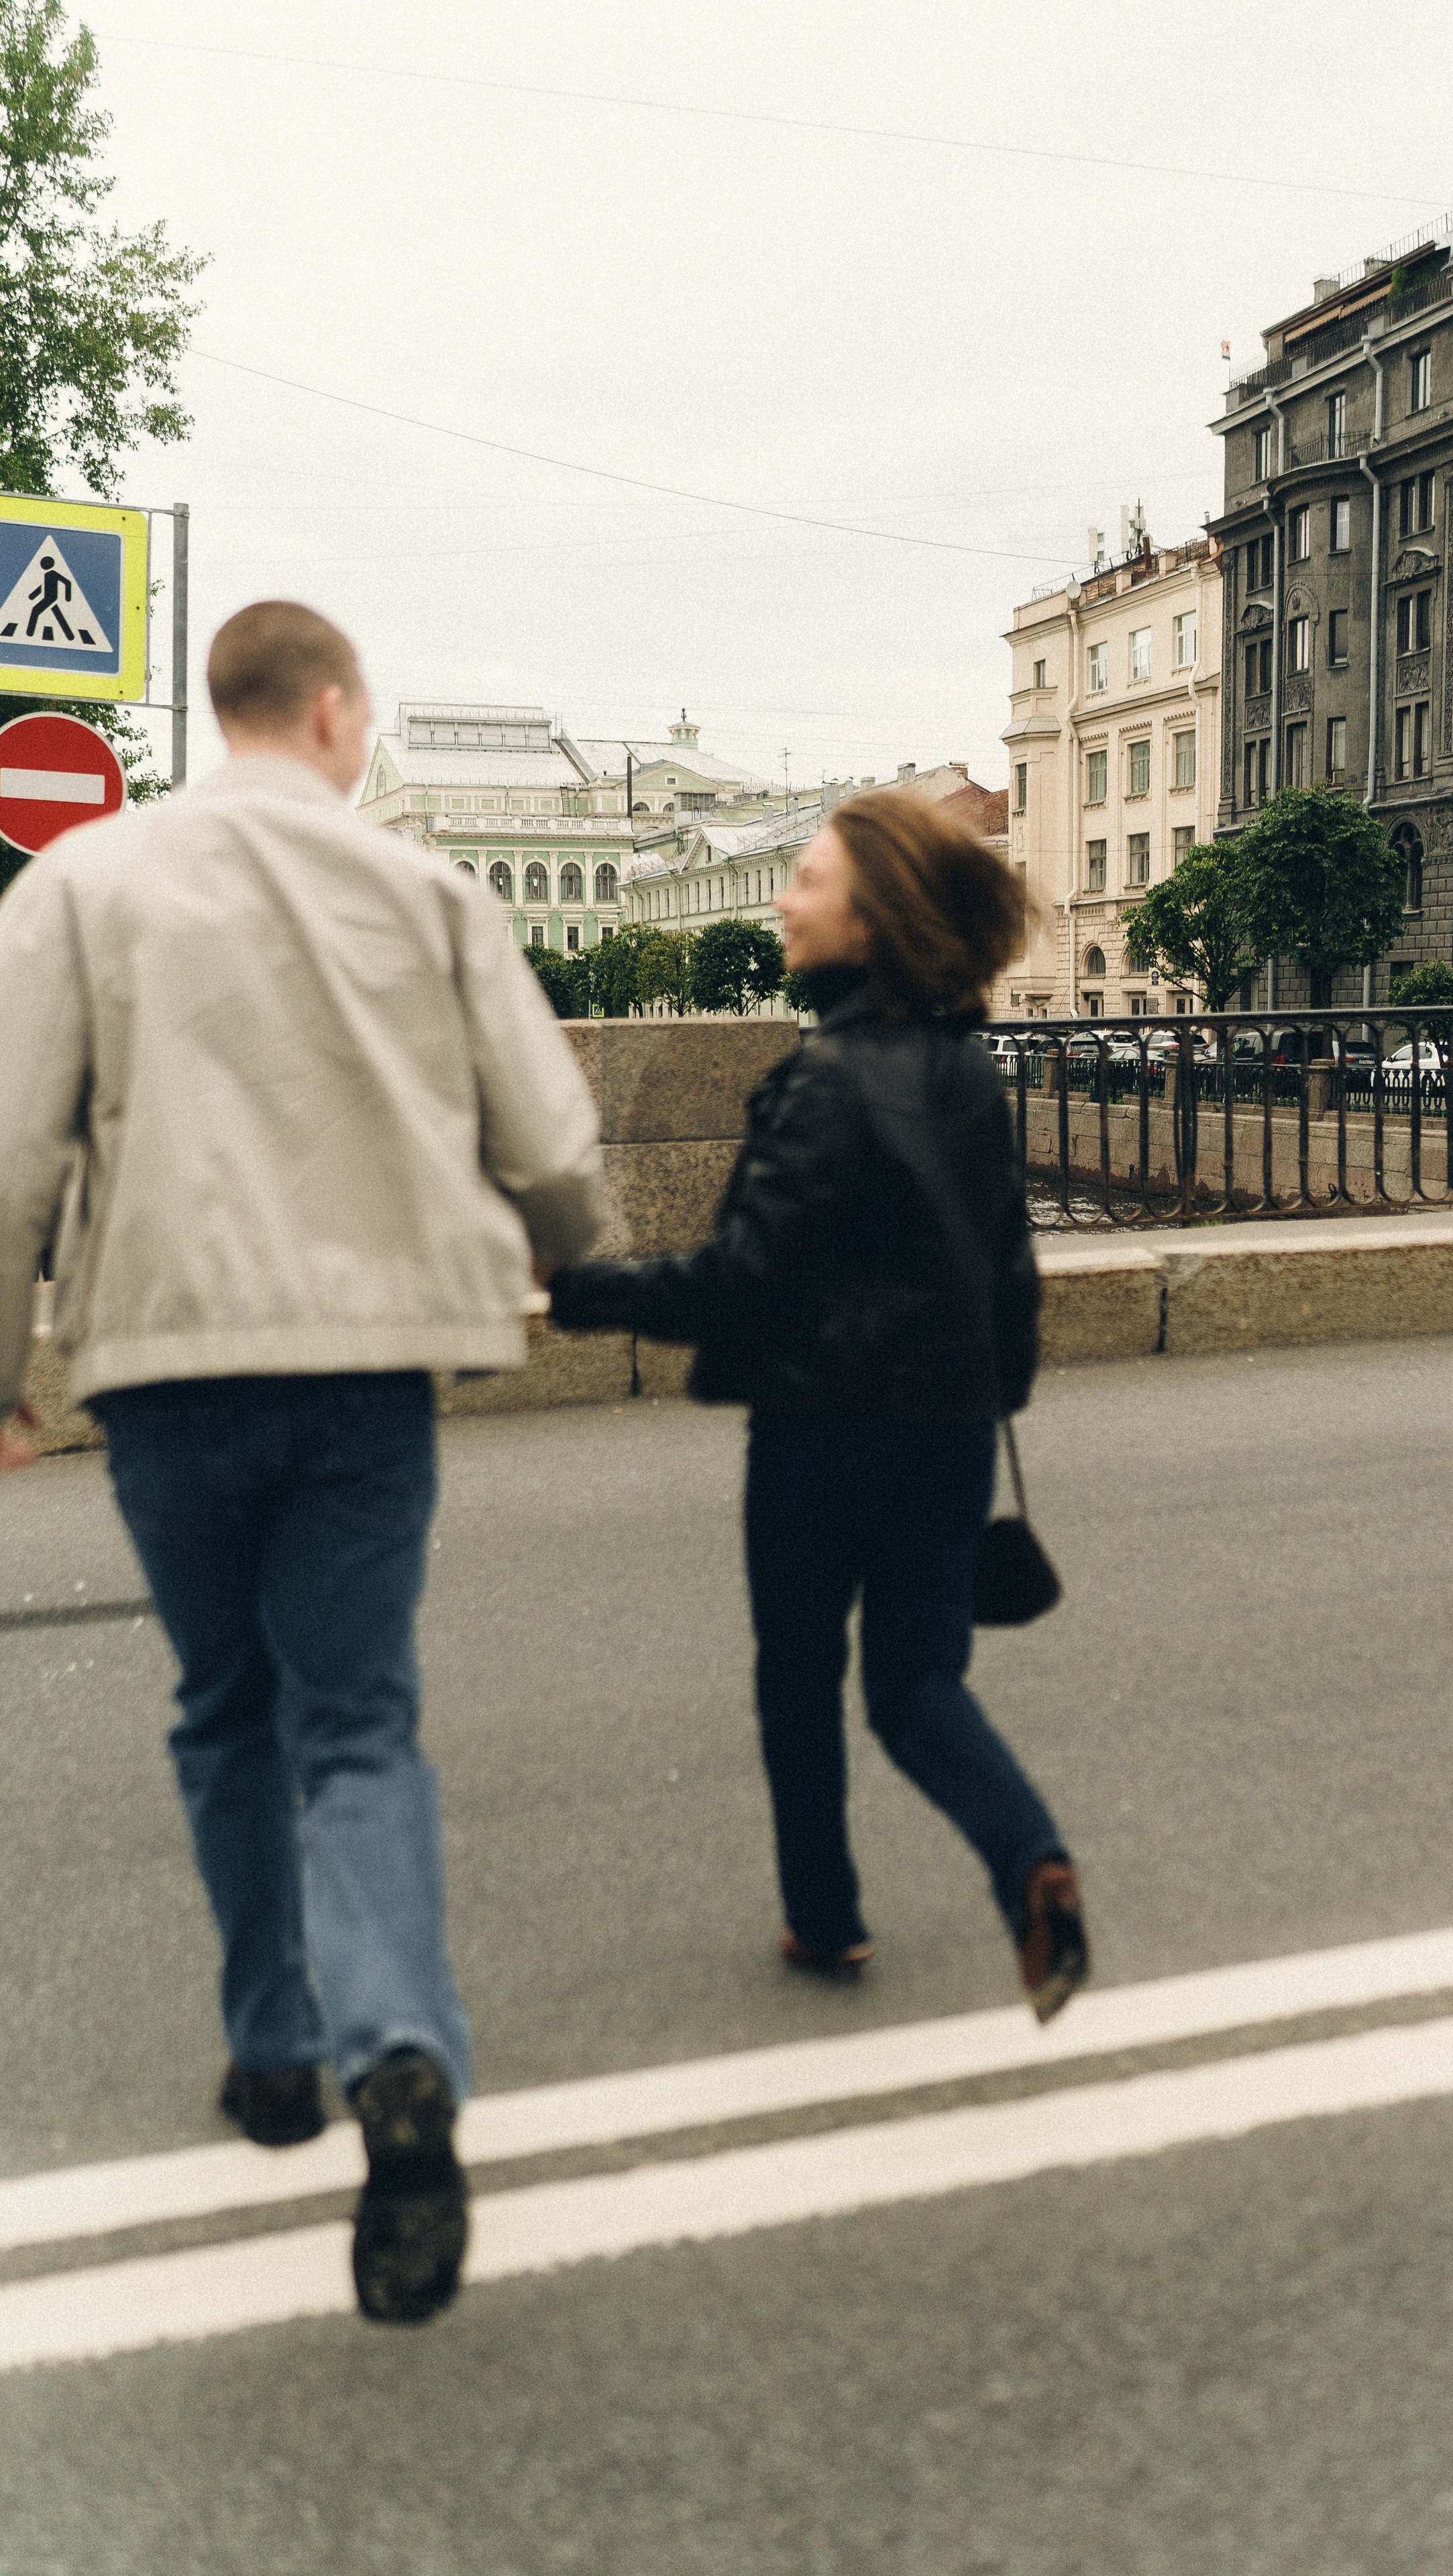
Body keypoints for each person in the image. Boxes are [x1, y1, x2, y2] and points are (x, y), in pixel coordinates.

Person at [0, 602, 606, 2323]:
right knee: (357, 1723)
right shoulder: (428, 892)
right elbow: (548, 1136)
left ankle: (270, 2050)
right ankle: (397, 2047)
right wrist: (568, 1259)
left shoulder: (83, 886)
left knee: (221, 1709)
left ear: (223, 708)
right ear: (334, 714)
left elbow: (7, 1149)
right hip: (365, 1369)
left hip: (170, 1367)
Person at [547, 790, 1088, 2021]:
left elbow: (739, 1280)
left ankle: (827, 1917)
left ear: (872, 917)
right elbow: (1012, 1276)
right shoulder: (969, 1073)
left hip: (820, 1432)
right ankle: (1031, 1861)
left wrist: (578, 1292)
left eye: (806, 880)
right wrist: (987, 1394)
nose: (785, 902)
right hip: (951, 1429)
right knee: (918, 1686)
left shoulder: (821, 1082)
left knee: (800, 1676)